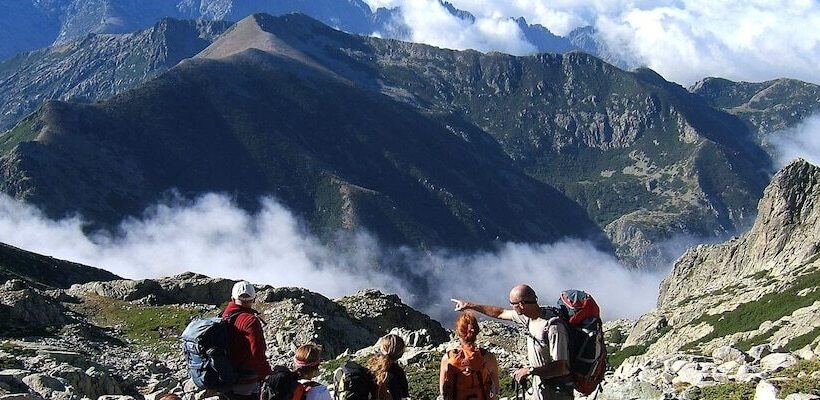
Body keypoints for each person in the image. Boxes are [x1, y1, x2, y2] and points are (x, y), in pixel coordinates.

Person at [451, 285, 572, 400]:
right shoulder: (529, 316)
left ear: (521, 304)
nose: (510, 306)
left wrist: (530, 370)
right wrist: (469, 305)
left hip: (557, 391)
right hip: (541, 387)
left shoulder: (554, 328)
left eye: (512, 303)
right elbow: (500, 313)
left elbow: (561, 367)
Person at [222, 280, 273, 400]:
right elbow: (257, 355)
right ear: (253, 300)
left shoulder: (224, 317)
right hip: (245, 382)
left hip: (224, 378)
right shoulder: (250, 321)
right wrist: (269, 377)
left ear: (232, 299)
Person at [439, 312, 499, 400]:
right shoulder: (488, 357)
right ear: (476, 332)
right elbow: (495, 389)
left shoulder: (448, 358)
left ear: (458, 333)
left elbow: (442, 390)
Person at [366, 333, 409, 400]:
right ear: (400, 354)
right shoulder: (398, 372)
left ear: (382, 349)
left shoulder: (371, 367)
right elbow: (404, 395)